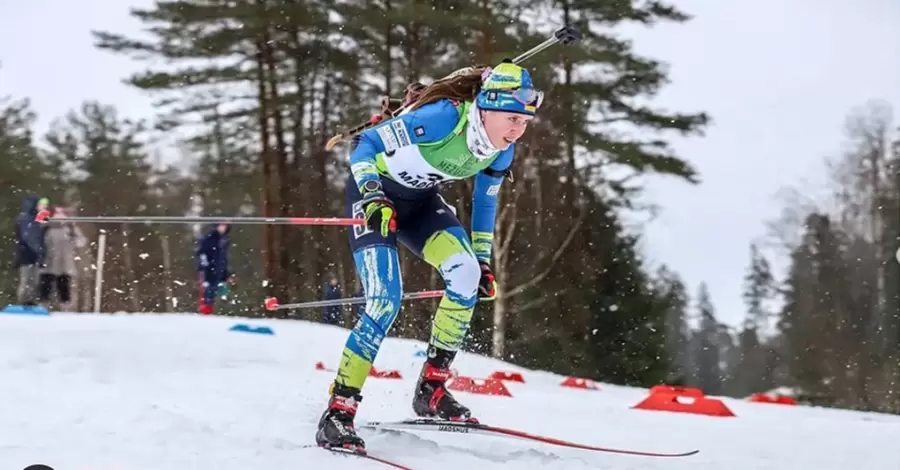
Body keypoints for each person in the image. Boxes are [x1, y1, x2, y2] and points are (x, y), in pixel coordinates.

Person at [315, 61, 542, 450]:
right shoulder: (444, 118)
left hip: (420, 206)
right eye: (511, 118)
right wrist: (371, 193)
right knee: (385, 301)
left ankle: (431, 389)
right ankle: (339, 409)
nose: (517, 130)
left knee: (467, 275)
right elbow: (364, 145)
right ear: (485, 107)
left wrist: (483, 259)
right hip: (376, 202)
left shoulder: (501, 150)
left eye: (523, 122)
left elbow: (486, 205)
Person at [39, 206, 84, 309]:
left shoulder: (68, 228)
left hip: (59, 263)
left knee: (60, 287)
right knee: (51, 286)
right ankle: (52, 305)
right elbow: (80, 242)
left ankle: (59, 305)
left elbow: (80, 242)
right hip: (53, 263)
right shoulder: (47, 228)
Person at [14, 195, 49, 307]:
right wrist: (38, 250)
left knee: (34, 281)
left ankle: (30, 302)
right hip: (26, 255)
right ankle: (23, 302)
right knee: (26, 281)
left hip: (34, 256)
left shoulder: (35, 219)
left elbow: (38, 237)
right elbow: (28, 237)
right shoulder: (25, 218)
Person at [195, 223, 232, 314]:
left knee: (221, 294)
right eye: (221, 225)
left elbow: (224, 259)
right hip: (209, 272)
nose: (223, 228)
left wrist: (225, 273)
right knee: (208, 294)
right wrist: (204, 268)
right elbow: (202, 254)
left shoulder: (223, 240)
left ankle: (214, 312)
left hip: (220, 272)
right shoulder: (209, 239)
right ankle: (206, 312)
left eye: (225, 225)